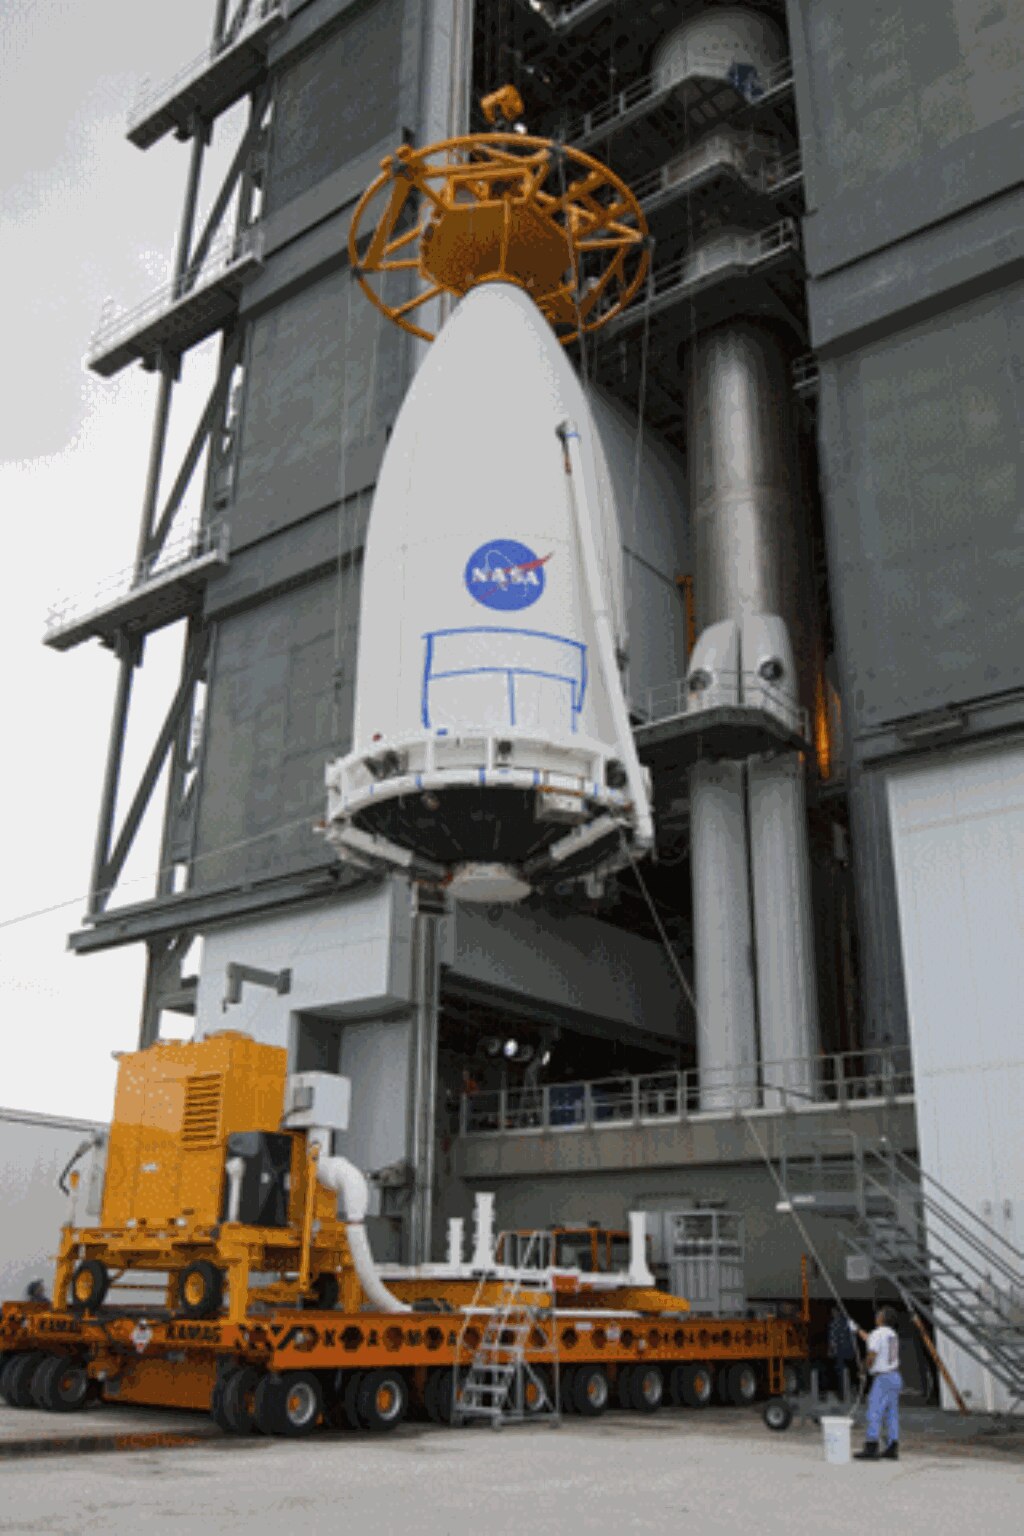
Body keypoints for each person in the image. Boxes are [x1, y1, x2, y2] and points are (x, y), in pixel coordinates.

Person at [851, 1305, 903, 1460]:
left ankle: (871, 1446)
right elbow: (871, 1339)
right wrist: (857, 1330)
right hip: (895, 1376)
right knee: (891, 1413)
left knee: (874, 1410)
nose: (876, 1316)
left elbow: (872, 1353)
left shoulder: (877, 1333)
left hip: (883, 1377)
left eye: (879, 1314)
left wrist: (863, 1369)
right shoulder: (892, 1334)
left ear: (882, 1318)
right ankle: (892, 1447)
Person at [827, 1303, 857, 1398]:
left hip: (840, 1352)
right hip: (850, 1351)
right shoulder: (849, 1322)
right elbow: (855, 1334)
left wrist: (831, 1351)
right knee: (850, 1372)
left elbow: (833, 1340)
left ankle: (844, 1394)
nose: (833, 1313)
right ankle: (851, 1390)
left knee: (841, 1372)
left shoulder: (834, 1324)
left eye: (834, 1312)